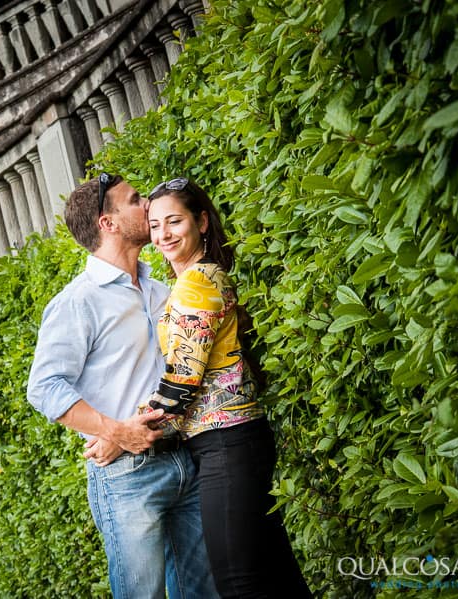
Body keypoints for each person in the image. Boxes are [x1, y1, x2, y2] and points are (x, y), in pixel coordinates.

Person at [27, 173, 219, 599]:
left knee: (206, 593)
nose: (148, 205)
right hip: (127, 478)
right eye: (135, 200)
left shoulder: (160, 289)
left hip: (186, 458)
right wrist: (115, 432)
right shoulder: (79, 301)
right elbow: (44, 387)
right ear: (108, 223)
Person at [145, 177, 312, 599]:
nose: (163, 234)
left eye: (173, 222)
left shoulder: (195, 282)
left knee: (240, 584)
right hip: (237, 441)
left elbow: (183, 379)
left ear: (202, 222)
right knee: (276, 578)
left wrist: (129, 433)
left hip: (225, 444)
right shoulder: (208, 275)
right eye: (154, 225)